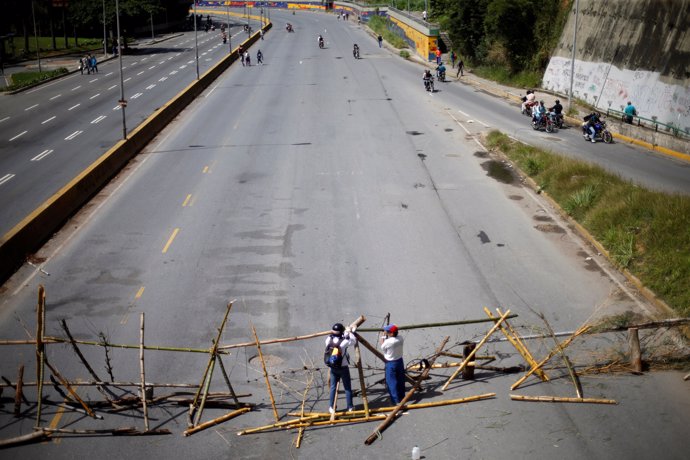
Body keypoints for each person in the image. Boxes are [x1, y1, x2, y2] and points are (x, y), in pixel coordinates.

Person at [325, 323, 357, 413]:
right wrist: (349, 332)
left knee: (333, 387)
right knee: (347, 387)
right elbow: (354, 340)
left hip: (333, 367)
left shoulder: (328, 340)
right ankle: (350, 407)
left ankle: (331, 407)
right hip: (343, 367)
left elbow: (333, 337)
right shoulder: (344, 342)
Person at [381, 324, 405, 404]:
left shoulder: (388, 342)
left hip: (391, 363)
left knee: (391, 382)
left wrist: (383, 337)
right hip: (399, 361)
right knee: (400, 380)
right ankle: (402, 397)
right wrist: (387, 334)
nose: (386, 332)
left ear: (391, 333)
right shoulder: (400, 338)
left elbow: (382, 347)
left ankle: (395, 401)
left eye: (387, 332)